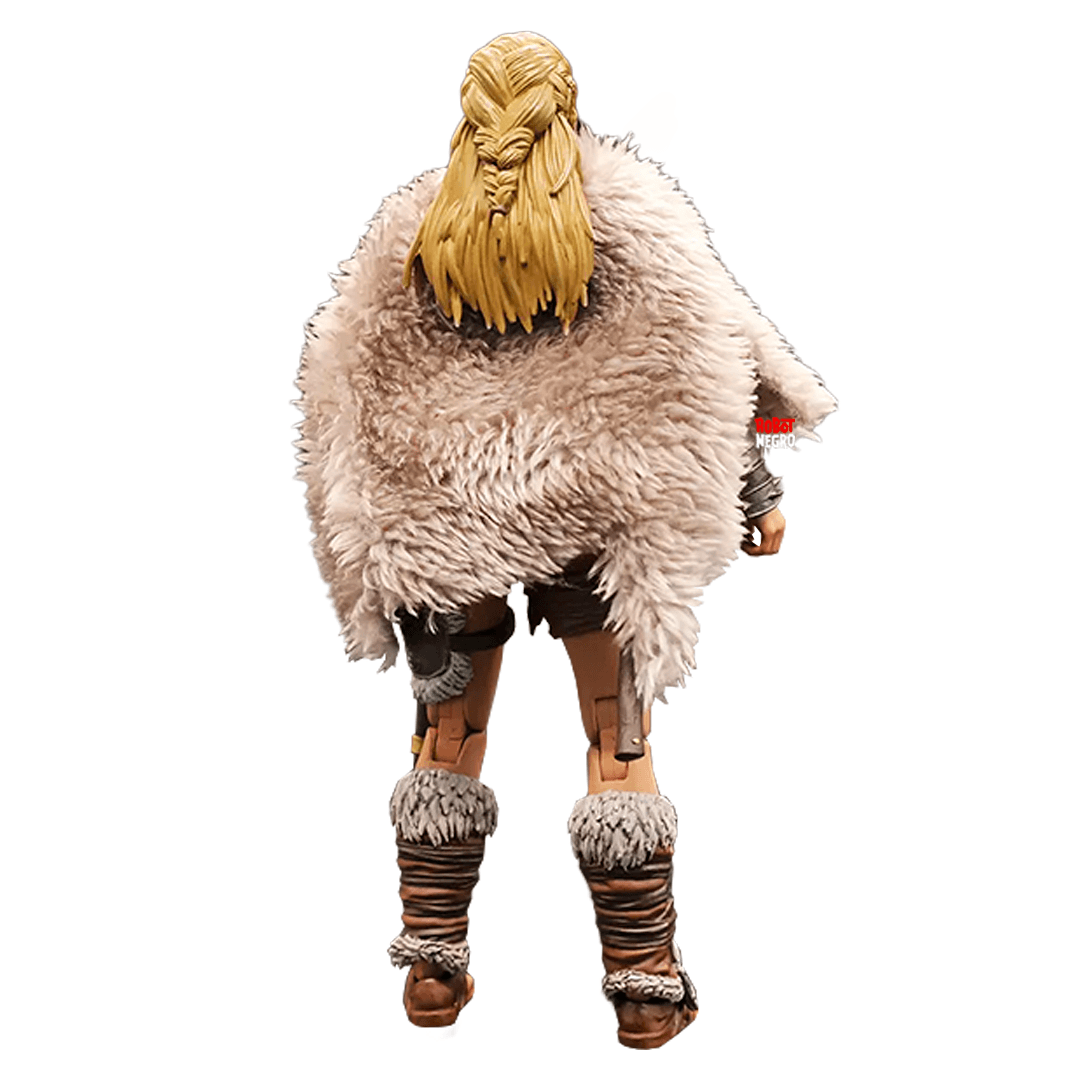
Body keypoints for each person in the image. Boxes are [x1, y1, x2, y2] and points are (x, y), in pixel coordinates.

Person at [297, 31, 835, 1049]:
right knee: (616, 743)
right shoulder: (633, 220)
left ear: (469, 113)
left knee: (445, 738)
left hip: (442, 531)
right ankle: (644, 980)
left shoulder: (408, 234)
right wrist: (756, 484)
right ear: (569, 108)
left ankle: (432, 968)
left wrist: (366, 540)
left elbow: (342, 397)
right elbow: (704, 368)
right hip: (599, 522)